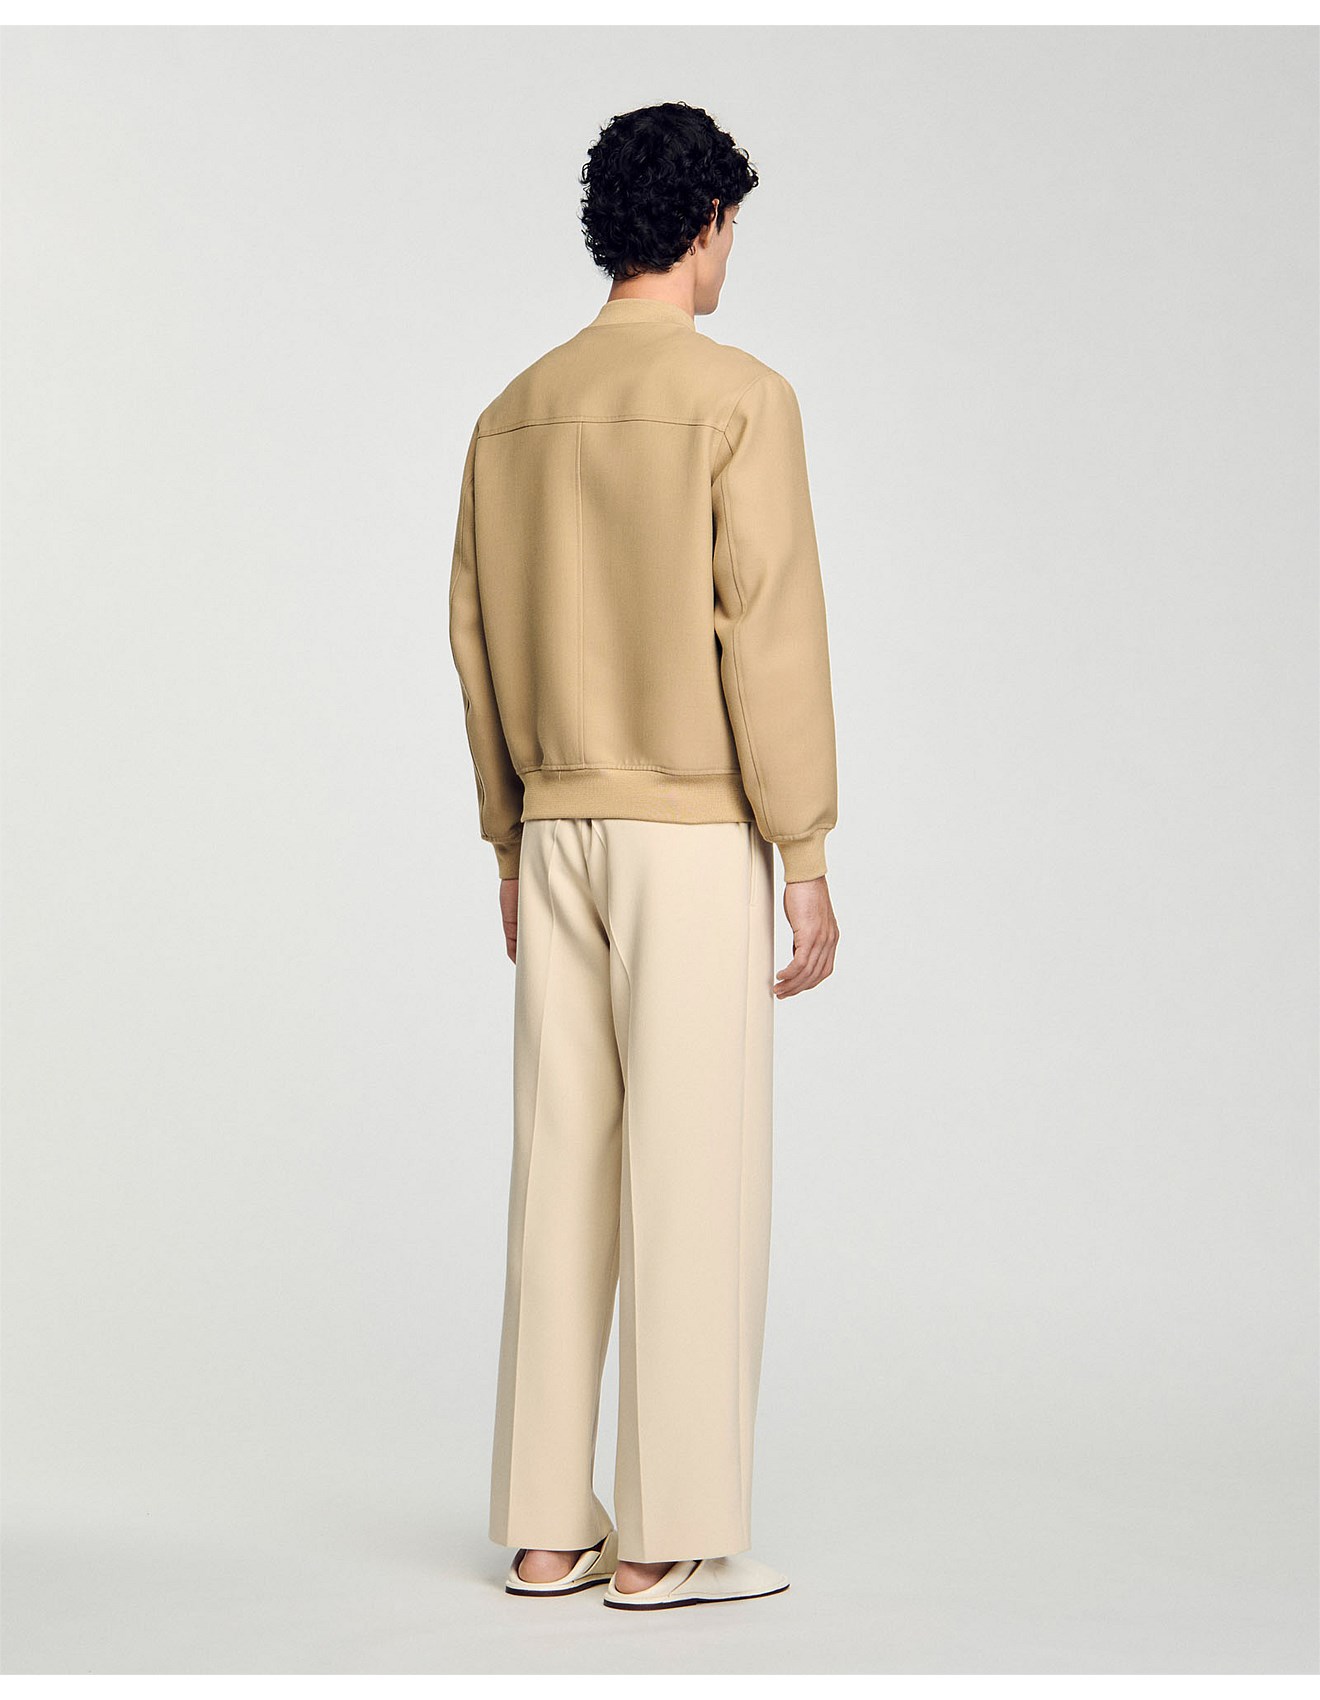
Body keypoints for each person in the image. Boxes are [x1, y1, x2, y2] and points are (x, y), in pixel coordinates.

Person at [448, 100, 840, 1612]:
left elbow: (477, 641)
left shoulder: (513, 413)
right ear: (707, 224)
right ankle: (671, 1538)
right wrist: (804, 850)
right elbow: (769, 634)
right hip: (688, 830)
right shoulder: (741, 399)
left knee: (560, 1165)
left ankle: (549, 1528)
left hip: (554, 825)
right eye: (734, 228)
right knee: (693, 1169)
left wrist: (508, 835)